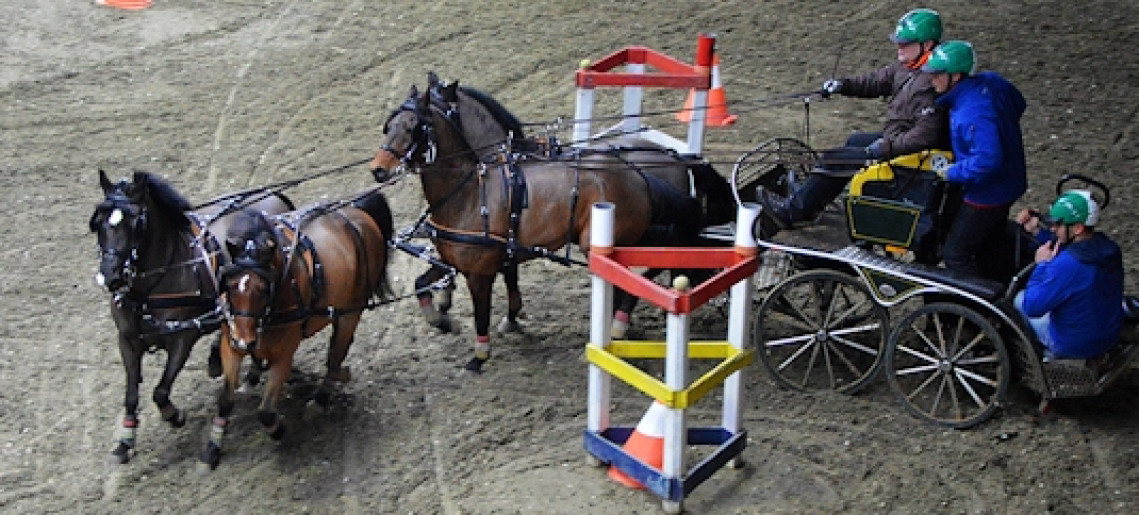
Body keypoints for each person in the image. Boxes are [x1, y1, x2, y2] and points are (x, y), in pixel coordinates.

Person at [759, 8, 949, 232]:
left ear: (927, 45)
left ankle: (794, 212)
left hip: (911, 154)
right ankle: (810, 197)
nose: (899, 47)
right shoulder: (908, 67)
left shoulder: (930, 82)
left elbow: (925, 136)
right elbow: (876, 81)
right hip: (898, 137)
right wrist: (843, 85)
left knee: (836, 158)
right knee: (854, 142)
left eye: (905, 43)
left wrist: (886, 147)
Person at [923, 40, 1027, 281]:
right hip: (1011, 181)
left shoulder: (970, 113)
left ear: (956, 76)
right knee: (990, 241)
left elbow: (987, 159)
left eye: (937, 74)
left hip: (987, 194)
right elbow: (1019, 103)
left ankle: (979, 298)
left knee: (956, 253)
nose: (931, 79)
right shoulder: (992, 82)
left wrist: (953, 172)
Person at [1015, 191, 1124, 360]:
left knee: (1020, 299)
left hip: (1074, 344)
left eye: (1058, 225)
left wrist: (1041, 265)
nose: (1052, 229)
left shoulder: (1068, 264)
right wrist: (1037, 232)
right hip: (1108, 333)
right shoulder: (1107, 248)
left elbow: (1032, 307)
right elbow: (1064, 245)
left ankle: (1045, 354)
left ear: (1078, 228)